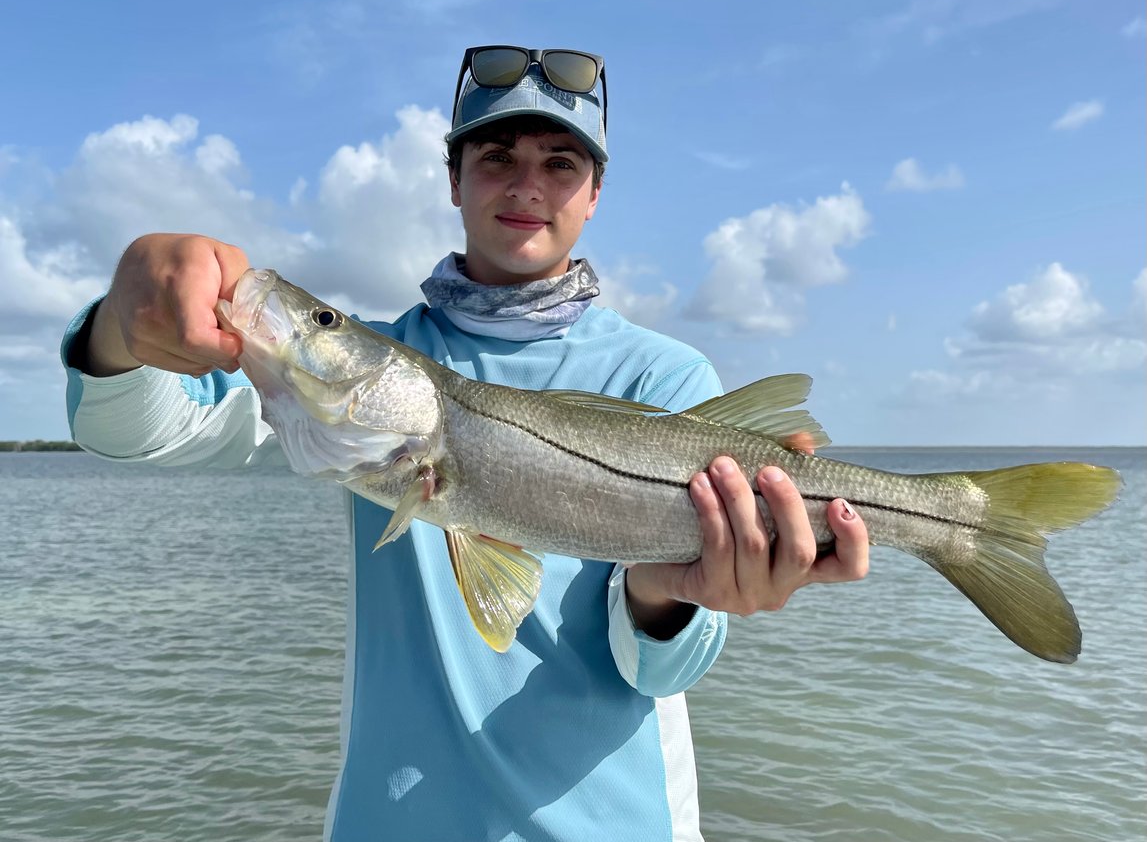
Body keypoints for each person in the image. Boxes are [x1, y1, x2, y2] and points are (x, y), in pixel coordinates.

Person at [62, 45, 869, 841]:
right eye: (494, 157)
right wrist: (120, 323)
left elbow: (664, 670)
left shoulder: (663, 373)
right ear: (452, 179)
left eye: (560, 163)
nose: (526, 186)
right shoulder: (346, 393)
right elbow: (133, 431)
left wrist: (668, 595)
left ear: (594, 194)